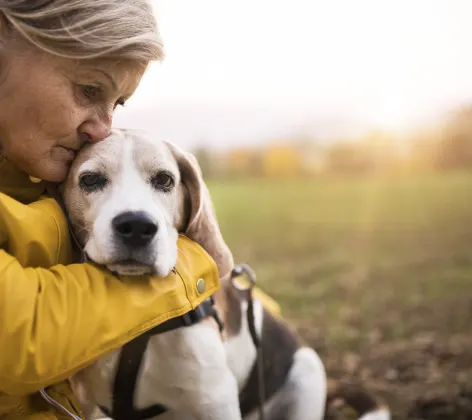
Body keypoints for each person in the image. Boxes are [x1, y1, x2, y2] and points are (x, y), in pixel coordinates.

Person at [0, 1, 220, 418]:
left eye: (117, 103)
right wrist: (188, 266)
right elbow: (18, 336)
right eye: (88, 90)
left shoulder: (38, 171)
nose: (102, 128)